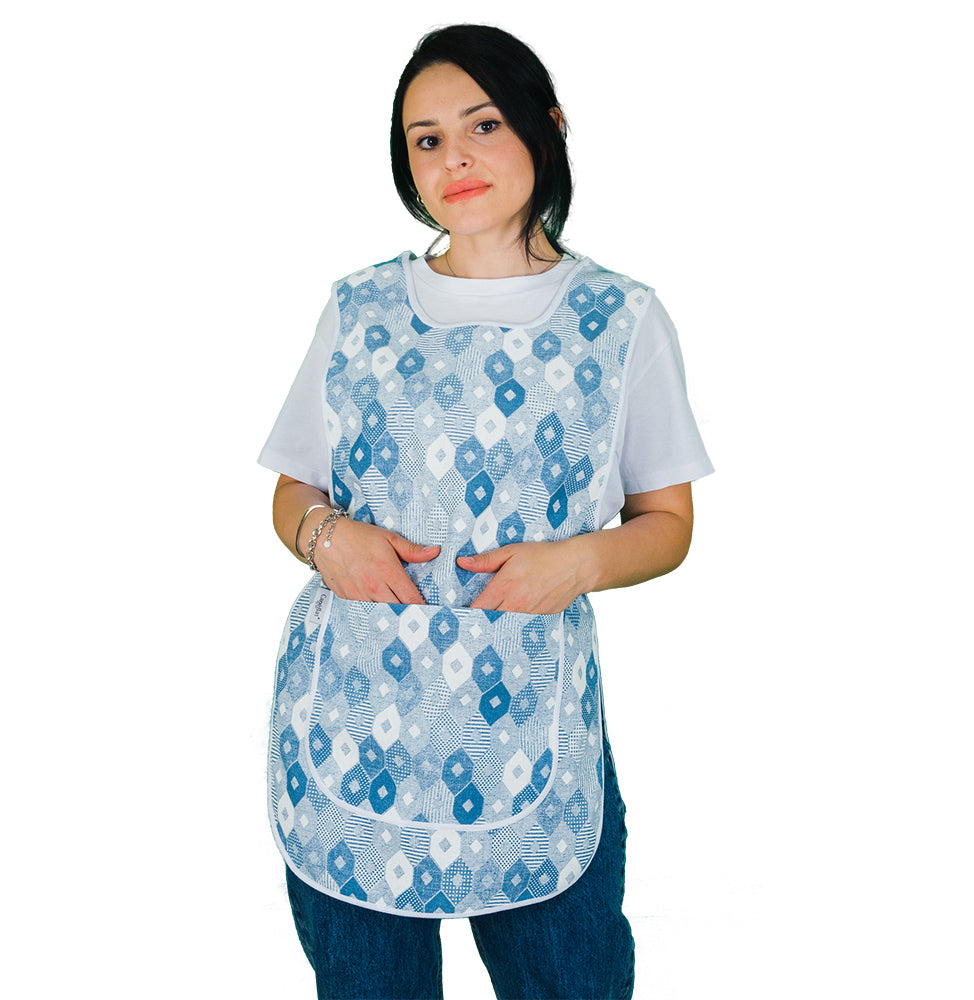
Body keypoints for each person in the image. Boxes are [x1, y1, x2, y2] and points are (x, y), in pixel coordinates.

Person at [259, 23, 713, 1000]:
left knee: (568, 979)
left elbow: (667, 523)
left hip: (529, 717)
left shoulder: (619, 319)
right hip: (358, 712)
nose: (454, 158)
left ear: (549, 126)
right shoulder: (359, 308)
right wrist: (325, 537)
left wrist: (579, 562)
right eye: (425, 139)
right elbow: (294, 487)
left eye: (483, 124)